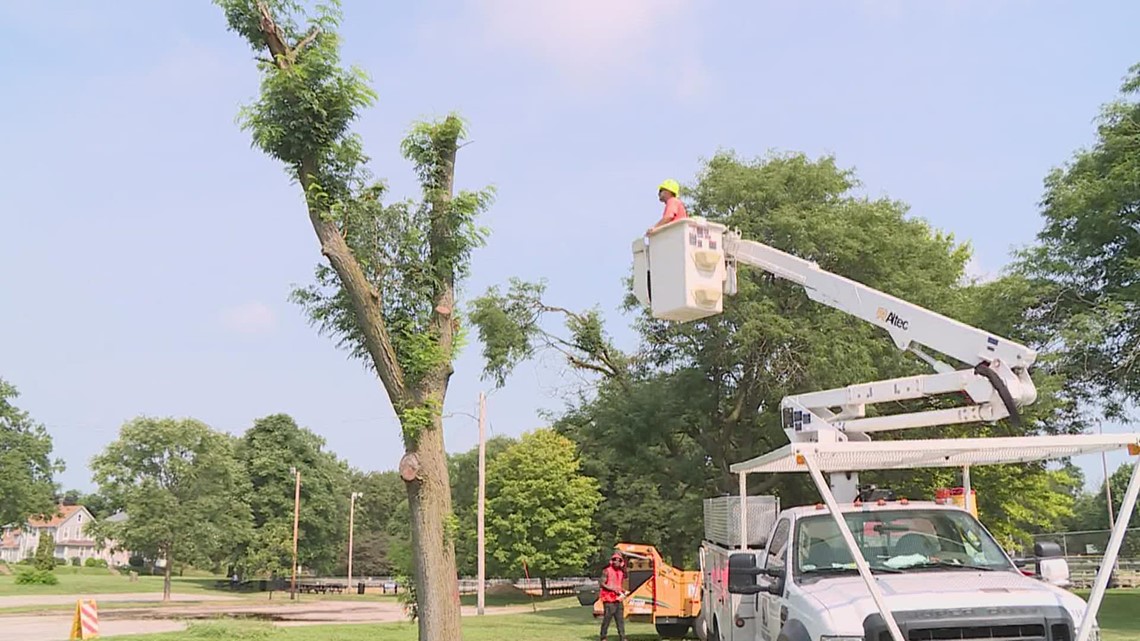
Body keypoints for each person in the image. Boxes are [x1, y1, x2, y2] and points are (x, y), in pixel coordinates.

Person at [598, 551, 628, 641]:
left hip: (618, 599)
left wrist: (622, 591)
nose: (616, 562)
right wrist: (614, 589)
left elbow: (619, 584)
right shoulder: (606, 571)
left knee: (620, 620)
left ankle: (622, 638)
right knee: (607, 619)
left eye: (619, 560)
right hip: (608, 599)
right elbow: (602, 583)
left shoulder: (621, 572)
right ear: (612, 561)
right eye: (614, 560)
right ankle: (603, 637)